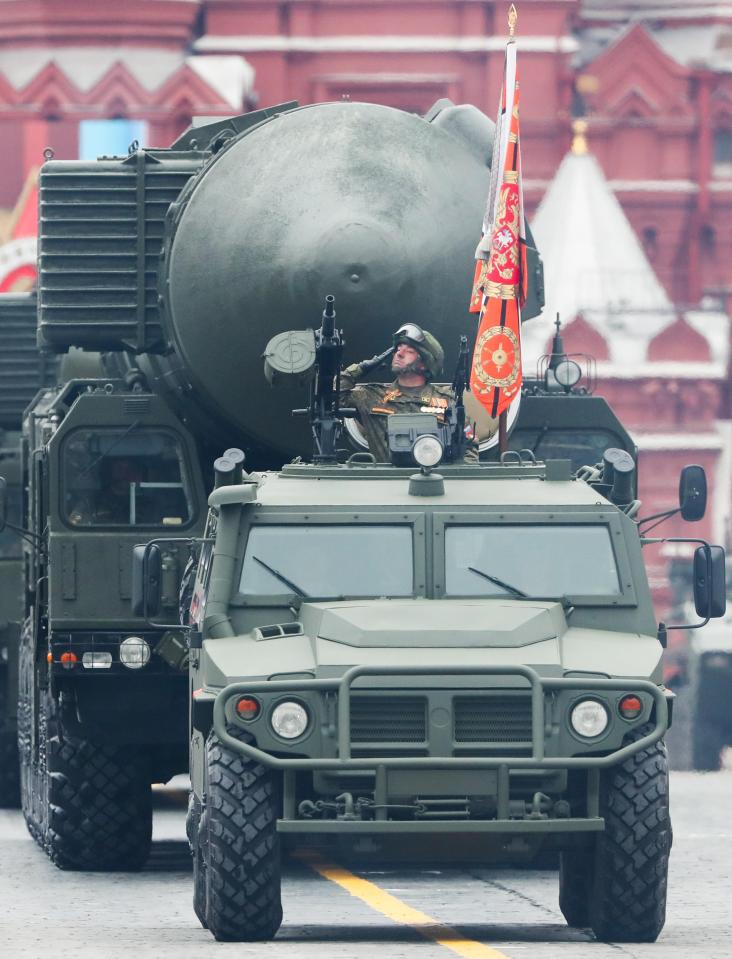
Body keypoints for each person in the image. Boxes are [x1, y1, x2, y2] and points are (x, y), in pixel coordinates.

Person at [340, 323, 476, 462]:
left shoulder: (447, 401)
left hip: (433, 478)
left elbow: (469, 451)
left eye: (409, 351)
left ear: (424, 363)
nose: (399, 353)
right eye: (398, 348)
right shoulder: (372, 396)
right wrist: (362, 368)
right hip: (387, 480)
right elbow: (332, 396)